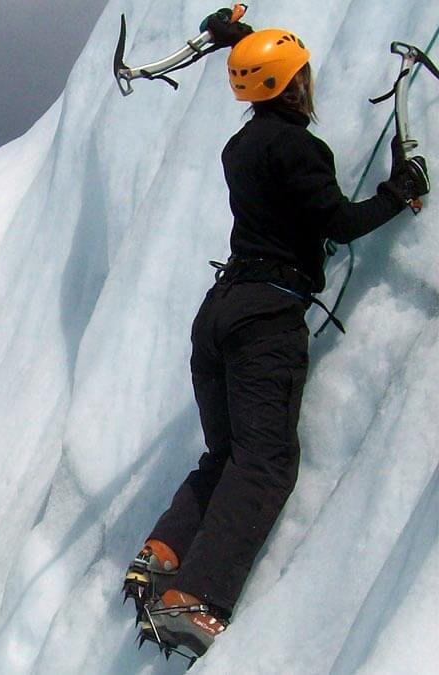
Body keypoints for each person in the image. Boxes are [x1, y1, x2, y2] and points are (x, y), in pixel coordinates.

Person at [123, 15, 431, 660]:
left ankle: (161, 554)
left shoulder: (244, 146)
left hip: (219, 310)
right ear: (295, 85)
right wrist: (399, 193)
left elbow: (264, 76)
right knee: (264, 464)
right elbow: (339, 223)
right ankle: (195, 598)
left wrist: (240, 39)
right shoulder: (297, 149)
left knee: (226, 454)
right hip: (265, 317)